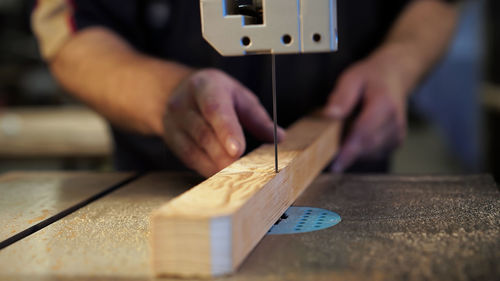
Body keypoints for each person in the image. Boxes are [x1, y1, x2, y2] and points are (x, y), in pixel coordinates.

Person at [31, 0, 459, 177]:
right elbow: (71, 32)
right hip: (163, 177)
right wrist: (165, 92)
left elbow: (436, 5)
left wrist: (398, 64)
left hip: (349, 166)